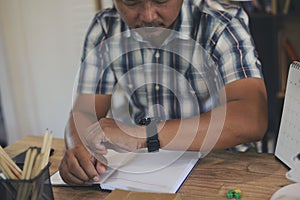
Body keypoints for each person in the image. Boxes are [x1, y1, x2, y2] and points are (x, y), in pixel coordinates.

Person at [59, 0, 268, 185]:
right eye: (131, 2)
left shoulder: (221, 22)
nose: (148, 15)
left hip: (224, 165)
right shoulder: (106, 27)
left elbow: (251, 118)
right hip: (149, 170)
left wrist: (144, 135)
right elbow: (83, 113)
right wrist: (80, 152)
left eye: (161, 0)